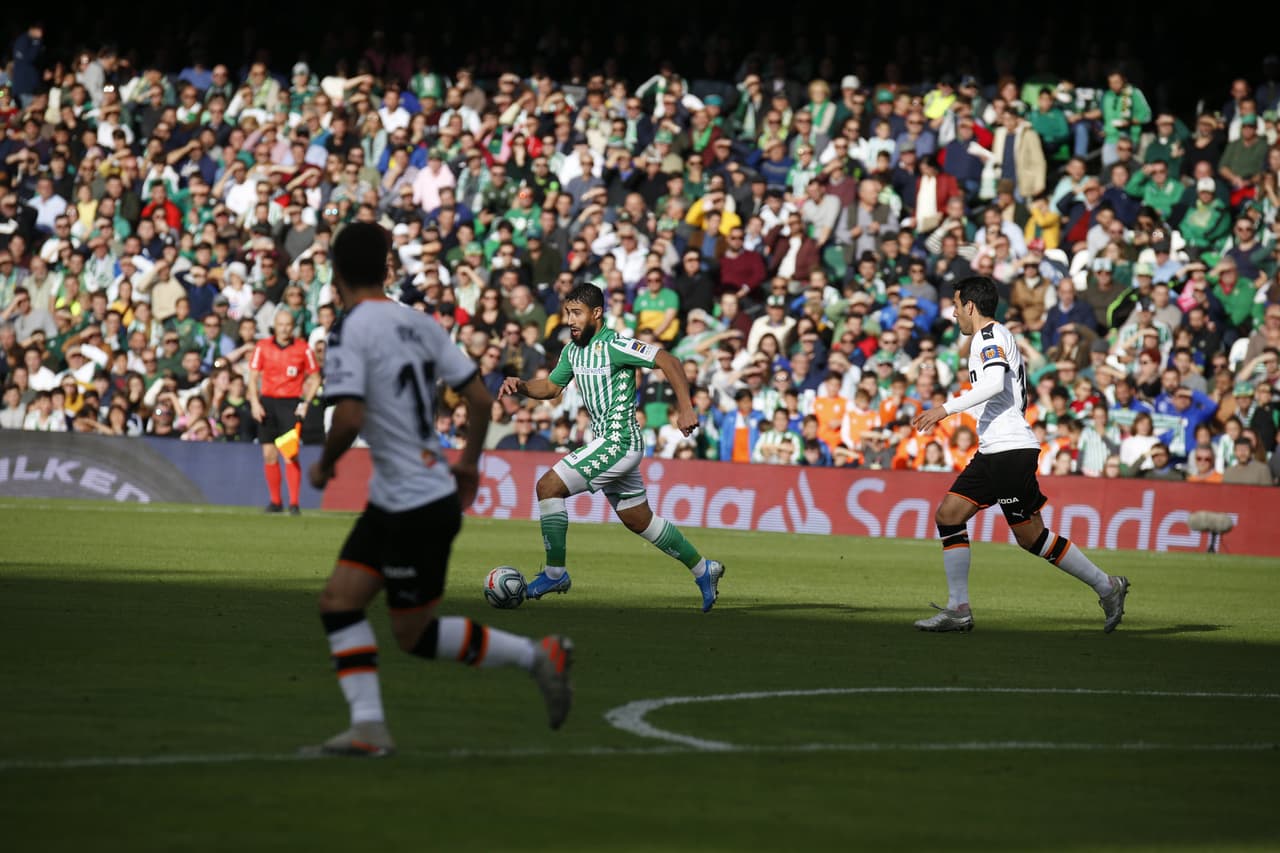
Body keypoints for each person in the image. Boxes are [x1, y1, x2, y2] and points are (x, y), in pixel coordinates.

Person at [304, 222, 572, 757]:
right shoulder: (420, 324)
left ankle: (537, 656)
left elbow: (350, 413)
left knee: (412, 634)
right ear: (385, 268)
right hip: (407, 497)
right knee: (340, 602)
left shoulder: (349, 329)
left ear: (335, 274)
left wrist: (324, 465)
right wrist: (469, 463)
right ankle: (369, 729)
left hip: (412, 504)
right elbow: (477, 397)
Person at [910, 276, 1129, 633]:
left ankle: (1108, 586)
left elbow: (995, 382)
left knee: (1032, 538)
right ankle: (958, 608)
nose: (952, 314)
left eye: (955, 305)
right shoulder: (989, 338)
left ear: (969, 305)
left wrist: (946, 409)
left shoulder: (990, 336)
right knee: (949, 516)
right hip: (993, 450)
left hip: (1010, 450)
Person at [497, 284, 725, 611]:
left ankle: (555, 573)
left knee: (548, 486)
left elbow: (668, 360)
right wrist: (521, 385)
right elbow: (549, 387)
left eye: (576, 313)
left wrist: (685, 407)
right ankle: (704, 569)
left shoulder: (615, 346)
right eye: (567, 314)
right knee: (638, 519)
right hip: (605, 441)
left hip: (619, 440)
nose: (570, 320)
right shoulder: (572, 351)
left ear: (596, 314)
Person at [247, 310, 321, 514]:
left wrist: (306, 402)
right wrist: (254, 402)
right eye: (281, 324)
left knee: (289, 453)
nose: (284, 328)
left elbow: (315, 378)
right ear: (275, 325)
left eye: (288, 324)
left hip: (290, 404)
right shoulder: (262, 347)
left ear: (293, 326)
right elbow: (253, 378)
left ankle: (295, 502)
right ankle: (275, 501)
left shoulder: (303, 349)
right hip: (268, 402)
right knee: (269, 454)